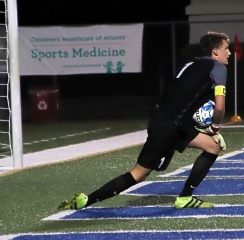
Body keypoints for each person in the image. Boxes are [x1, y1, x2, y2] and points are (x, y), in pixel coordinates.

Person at [58, 31, 231, 211]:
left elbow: (181, 96)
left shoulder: (192, 63)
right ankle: (86, 200)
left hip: (166, 119)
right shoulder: (218, 68)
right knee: (139, 174)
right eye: (226, 48)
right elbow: (219, 107)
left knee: (213, 146)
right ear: (215, 51)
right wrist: (214, 128)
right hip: (171, 126)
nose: (229, 52)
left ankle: (185, 197)